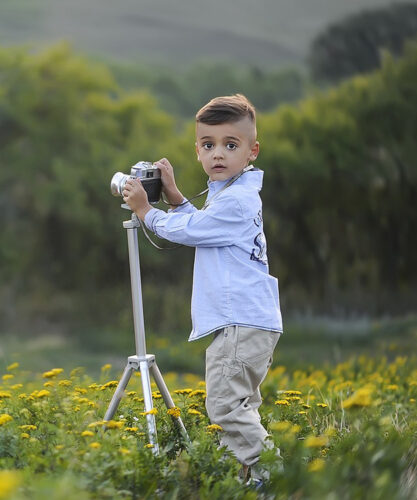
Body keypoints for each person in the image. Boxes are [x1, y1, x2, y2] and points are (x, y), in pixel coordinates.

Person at [121, 94, 282, 484]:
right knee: (241, 406)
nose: (218, 154)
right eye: (208, 145)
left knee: (226, 407)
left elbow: (192, 231)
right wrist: (174, 196)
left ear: (252, 151)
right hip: (249, 320)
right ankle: (248, 480)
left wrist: (146, 211)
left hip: (239, 322)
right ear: (197, 151)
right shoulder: (229, 192)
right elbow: (205, 227)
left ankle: (277, 477)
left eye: (231, 145)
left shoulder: (238, 200)